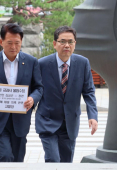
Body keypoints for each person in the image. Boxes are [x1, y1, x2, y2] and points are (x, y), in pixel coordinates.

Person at [0, 23, 43, 162]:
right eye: (9, 43)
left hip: (20, 119)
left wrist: (32, 98)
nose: (13, 47)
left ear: (21, 42)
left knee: (18, 160)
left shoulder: (31, 62)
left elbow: (39, 87)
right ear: (1, 42)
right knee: (6, 156)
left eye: (17, 43)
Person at [35, 26, 98, 163]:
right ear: (54, 44)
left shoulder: (83, 63)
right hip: (47, 121)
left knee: (66, 162)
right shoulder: (42, 64)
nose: (67, 45)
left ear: (75, 44)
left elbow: (89, 92)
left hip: (69, 123)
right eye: (62, 41)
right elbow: (35, 89)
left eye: (70, 42)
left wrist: (92, 116)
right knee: (52, 159)